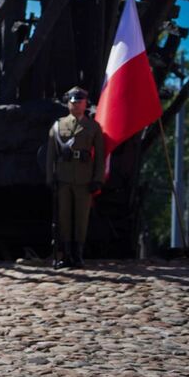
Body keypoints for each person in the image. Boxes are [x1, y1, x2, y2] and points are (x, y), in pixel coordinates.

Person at [45, 87, 105, 269]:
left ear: (85, 103)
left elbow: (100, 157)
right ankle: (66, 254)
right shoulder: (58, 125)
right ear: (68, 103)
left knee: (81, 218)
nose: (76, 104)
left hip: (84, 179)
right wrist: (50, 177)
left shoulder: (93, 127)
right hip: (63, 178)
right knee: (64, 217)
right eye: (73, 102)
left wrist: (97, 179)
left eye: (79, 102)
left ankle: (78, 255)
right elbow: (50, 155)